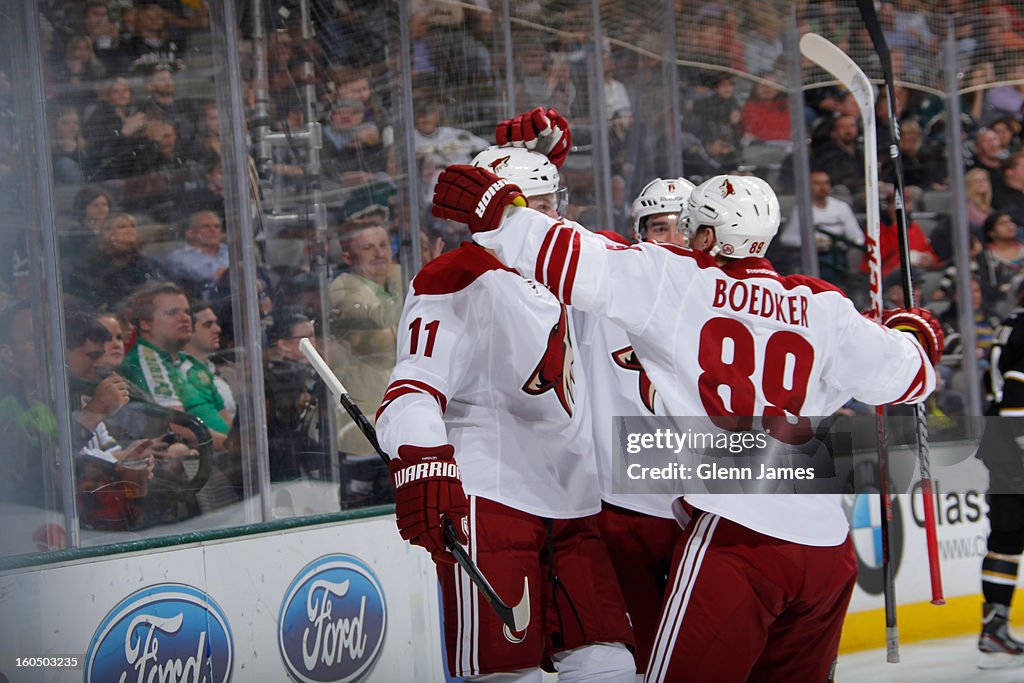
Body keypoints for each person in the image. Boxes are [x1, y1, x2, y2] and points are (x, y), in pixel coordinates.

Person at [430, 109, 943, 681]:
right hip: (826, 548)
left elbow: (567, 256)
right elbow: (912, 376)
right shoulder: (826, 309)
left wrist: (503, 209)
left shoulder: (676, 284)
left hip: (736, 536)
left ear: (704, 235)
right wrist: (911, 332)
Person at [375, 117, 636, 680]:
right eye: (533, 208)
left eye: (552, 204)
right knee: (505, 671)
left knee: (610, 662)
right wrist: (421, 463)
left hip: (575, 498)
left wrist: (536, 159)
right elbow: (411, 389)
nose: (550, 221)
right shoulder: (456, 276)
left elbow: (630, 264)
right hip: (493, 499)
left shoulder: (569, 271)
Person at [119, 281, 229, 449]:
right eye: (172, 313)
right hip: (204, 460)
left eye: (186, 312)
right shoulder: (146, 359)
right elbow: (180, 427)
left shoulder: (190, 362)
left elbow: (224, 418)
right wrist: (233, 446)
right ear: (145, 324)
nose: (185, 318)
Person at [976, 288, 1024, 669]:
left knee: (1006, 539)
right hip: (1016, 444)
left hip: (1001, 446)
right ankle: (994, 625)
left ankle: (994, 625)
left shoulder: (1009, 326)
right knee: (1007, 538)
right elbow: (1016, 397)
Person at [779, 169, 864, 282]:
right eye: (817, 184)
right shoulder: (802, 210)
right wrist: (811, 243)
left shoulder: (841, 207)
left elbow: (857, 237)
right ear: (808, 187)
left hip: (838, 255)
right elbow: (787, 238)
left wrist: (841, 243)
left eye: (826, 183)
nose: (823, 187)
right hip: (812, 257)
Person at [163, 211, 229, 299]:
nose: (212, 230)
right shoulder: (179, 258)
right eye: (206, 226)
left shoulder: (232, 251)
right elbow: (192, 284)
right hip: (209, 303)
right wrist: (222, 275)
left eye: (216, 226)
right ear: (190, 233)